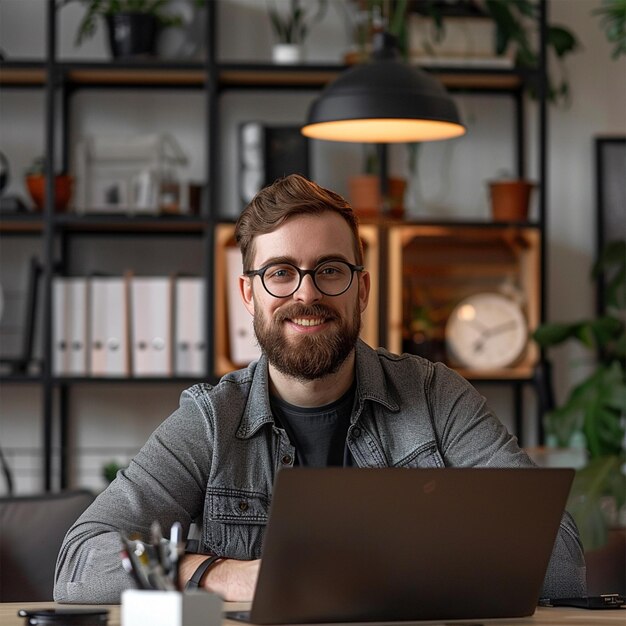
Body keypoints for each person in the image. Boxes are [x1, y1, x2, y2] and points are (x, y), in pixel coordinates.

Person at [54, 174, 586, 604]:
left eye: (330, 270)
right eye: (281, 273)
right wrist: (223, 574)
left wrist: (380, 570)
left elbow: (560, 559)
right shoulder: (212, 420)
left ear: (363, 289)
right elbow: (79, 562)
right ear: (248, 294)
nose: (307, 294)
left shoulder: (437, 396)